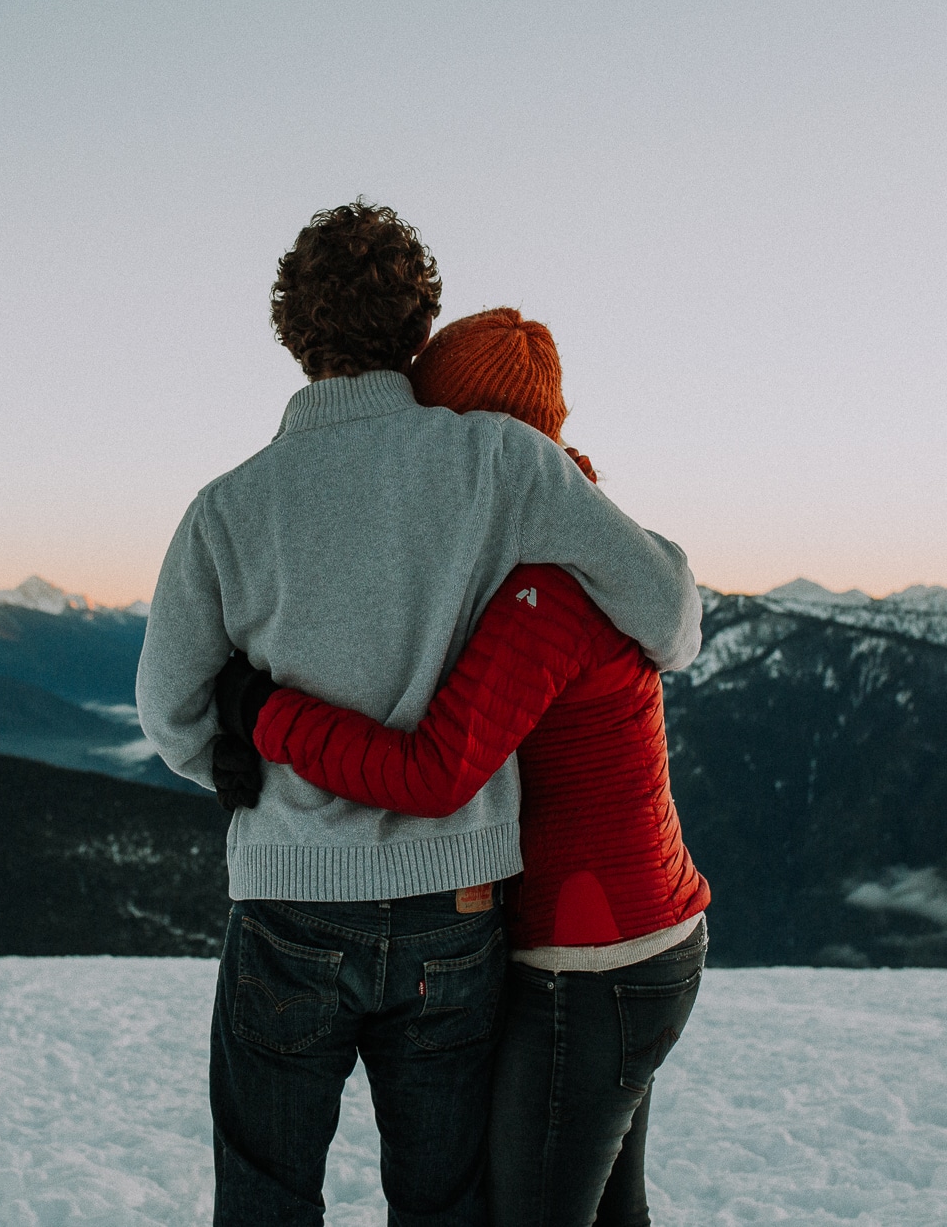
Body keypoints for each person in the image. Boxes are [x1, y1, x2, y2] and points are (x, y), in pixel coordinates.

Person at [135, 203, 702, 1227]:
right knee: (443, 1205)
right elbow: (667, 613)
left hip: (289, 903)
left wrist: (231, 752)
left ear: (290, 330)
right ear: (416, 329)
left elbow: (169, 714)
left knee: (265, 1195)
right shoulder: (496, 462)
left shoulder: (225, 509)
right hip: (459, 910)